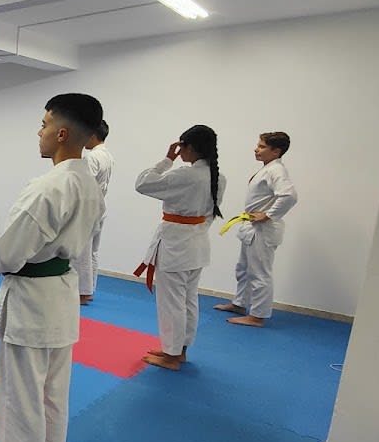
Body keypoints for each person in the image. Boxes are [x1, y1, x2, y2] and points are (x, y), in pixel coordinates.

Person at [0, 94, 103, 442]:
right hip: (61, 296)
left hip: (32, 301)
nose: (40, 131)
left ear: (63, 133)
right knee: (53, 395)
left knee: (20, 398)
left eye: (45, 123)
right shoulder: (88, 183)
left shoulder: (48, 187)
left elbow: (6, 255)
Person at [134, 125, 226, 371]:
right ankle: (178, 350)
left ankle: (171, 355)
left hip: (175, 247)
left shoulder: (185, 175)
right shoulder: (218, 177)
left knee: (171, 303)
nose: (180, 151)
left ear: (189, 147)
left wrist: (167, 160)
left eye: (182, 146)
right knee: (188, 301)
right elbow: (209, 216)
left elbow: (142, 183)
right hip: (197, 245)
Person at [215, 132, 298, 327]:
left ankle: (258, 315)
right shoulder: (268, 169)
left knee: (260, 273)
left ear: (276, 151)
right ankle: (240, 303)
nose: (256, 149)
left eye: (262, 146)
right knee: (243, 269)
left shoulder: (276, 170)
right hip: (253, 227)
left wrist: (268, 214)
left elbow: (289, 196)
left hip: (264, 229)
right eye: (257, 145)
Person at [71, 119, 114, 305]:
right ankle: (90, 289)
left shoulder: (92, 157)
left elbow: (84, 184)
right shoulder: (107, 155)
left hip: (89, 208)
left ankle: (83, 293)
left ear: (93, 135)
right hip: (100, 206)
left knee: (82, 253)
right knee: (93, 251)